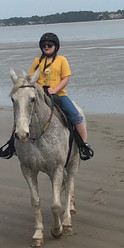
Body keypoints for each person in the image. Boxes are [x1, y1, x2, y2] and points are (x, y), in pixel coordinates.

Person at [31, 31, 93, 160]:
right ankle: (13, 143)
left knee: (76, 115)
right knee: (22, 113)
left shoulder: (61, 60)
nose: (46, 47)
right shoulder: (37, 61)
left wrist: (55, 90)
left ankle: (83, 145)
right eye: (44, 45)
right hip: (40, 96)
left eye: (49, 45)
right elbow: (31, 78)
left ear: (56, 46)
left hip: (59, 95)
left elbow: (65, 79)